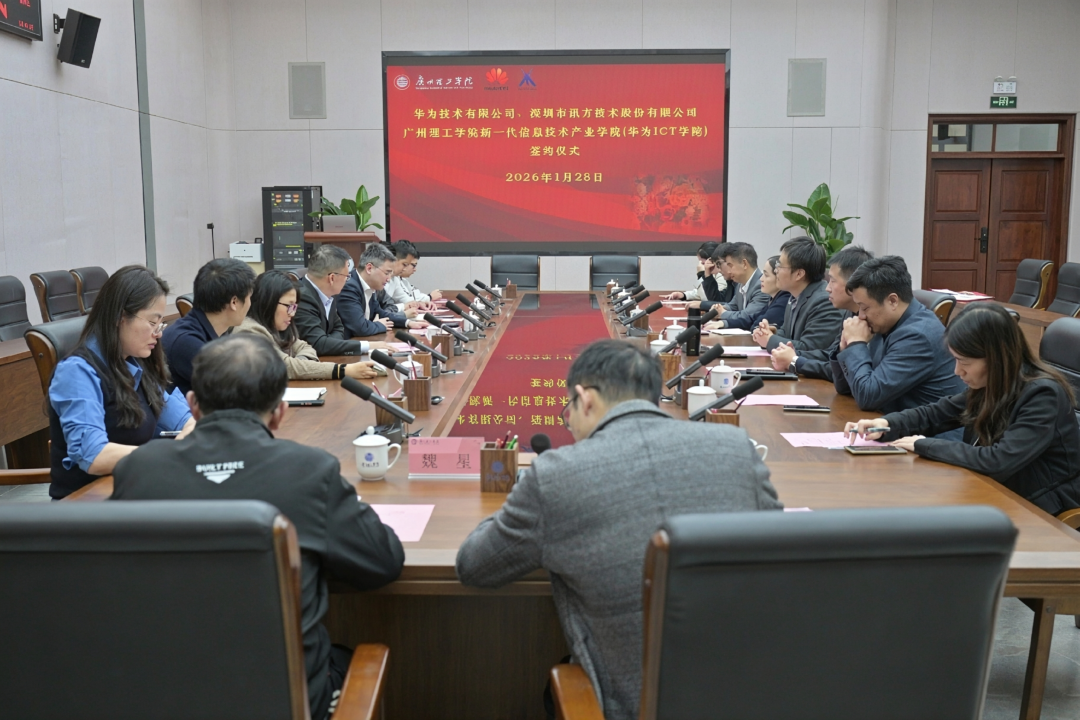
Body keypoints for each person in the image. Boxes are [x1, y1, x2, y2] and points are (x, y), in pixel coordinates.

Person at [455, 340, 782, 720]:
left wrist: (526, 498)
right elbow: (781, 551)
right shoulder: (735, 447)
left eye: (568, 410)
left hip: (624, 706)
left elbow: (474, 566)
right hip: (749, 696)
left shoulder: (557, 476)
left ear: (585, 399)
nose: (569, 424)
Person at [111, 334, 405, 720]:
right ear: (280, 411)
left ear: (193, 405)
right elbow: (383, 562)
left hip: (159, 698)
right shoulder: (309, 470)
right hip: (287, 703)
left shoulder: (137, 471)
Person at [846, 303, 1080, 515]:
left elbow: (998, 460)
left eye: (965, 362)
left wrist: (923, 444)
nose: (958, 371)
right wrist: (887, 424)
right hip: (995, 491)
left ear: (996, 358)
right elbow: (936, 414)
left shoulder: (1043, 395)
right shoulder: (992, 383)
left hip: (1040, 508)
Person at [47, 265, 195, 499]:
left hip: (133, 490)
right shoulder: (76, 372)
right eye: (152, 323)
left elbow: (186, 419)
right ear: (119, 317)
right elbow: (92, 455)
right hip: (88, 503)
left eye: (160, 325)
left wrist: (186, 439)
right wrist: (165, 455)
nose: (158, 334)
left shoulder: (136, 364)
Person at [831, 256, 966, 413]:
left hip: (929, 427)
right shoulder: (885, 323)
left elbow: (867, 397)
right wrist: (846, 348)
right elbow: (846, 388)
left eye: (865, 308)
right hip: (893, 420)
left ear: (893, 301)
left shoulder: (917, 336)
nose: (860, 316)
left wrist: (856, 344)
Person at [234, 271, 380, 380]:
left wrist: (300, 364)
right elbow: (285, 366)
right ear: (268, 302)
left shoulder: (277, 326)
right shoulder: (249, 330)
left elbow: (305, 347)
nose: (292, 313)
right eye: (289, 306)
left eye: (294, 307)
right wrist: (344, 370)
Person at [770, 245, 874, 380]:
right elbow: (830, 355)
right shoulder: (850, 314)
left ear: (853, 284)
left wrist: (795, 361)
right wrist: (793, 354)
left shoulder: (874, 321)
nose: (827, 288)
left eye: (833, 281)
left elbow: (840, 372)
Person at [162, 258, 255, 395]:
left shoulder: (216, 332)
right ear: (234, 302)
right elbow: (234, 391)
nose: (250, 304)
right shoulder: (187, 342)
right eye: (249, 297)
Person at [753, 237, 844, 352]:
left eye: (779, 266)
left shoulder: (824, 302)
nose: (776, 271)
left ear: (799, 274)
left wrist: (770, 340)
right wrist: (771, 334)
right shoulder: (794, 296)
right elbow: (787, 333)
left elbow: (809, 349)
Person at [294, 245, 375, 356]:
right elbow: (318, 344)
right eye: (346, 276)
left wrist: (327, 341)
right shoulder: (301, 297)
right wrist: (367, 346)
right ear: (332, 278)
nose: (347, 281)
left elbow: (339, 328)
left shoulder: (329, 293)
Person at [337, 243, 424, 337]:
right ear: (369, 268)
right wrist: (380, 325)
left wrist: (408, 323)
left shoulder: (371, 286)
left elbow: (382, 314)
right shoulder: (349, 287)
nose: (389, 279)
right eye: (387, 273)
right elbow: (360, 327)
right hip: (347, 343)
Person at [704, 255, 790, 331]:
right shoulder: (740, 285)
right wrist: (723, 322)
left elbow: (755, 324)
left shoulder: (784, 299)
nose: (761, 279)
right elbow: (751, 318)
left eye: (766, 275)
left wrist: (722, 313)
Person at [691, 243, 768, 327]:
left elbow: (747, 316)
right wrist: (720, 308)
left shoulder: (761, 285)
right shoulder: (740, 283)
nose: (729, 271)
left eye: (730, 266)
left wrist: (723, 313)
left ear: (744, 264)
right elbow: (732, 305)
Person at [661, 241, 728, 302]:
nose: (700, 266)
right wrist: (684, 295)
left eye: (703, 263)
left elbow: (708, 298)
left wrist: (701, 274)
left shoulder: (722, 276)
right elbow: (701, 292)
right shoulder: (712, 274)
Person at [383, 239, 440, 312]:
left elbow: (406, 300)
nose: (404, 269)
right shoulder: (380, 278)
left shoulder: (395, 279)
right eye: (404, 264)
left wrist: (418, 304)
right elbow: (382, 309)